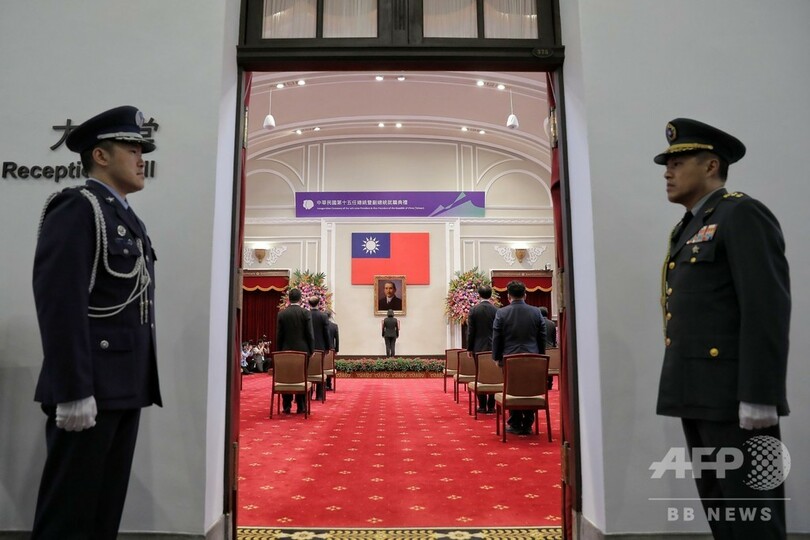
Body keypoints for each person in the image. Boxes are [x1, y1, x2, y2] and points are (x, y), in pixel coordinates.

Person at [655, 118, 790, 539]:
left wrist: (760, 394)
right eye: (667, 164)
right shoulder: (689, 226)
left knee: (753, 515)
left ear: (711, 165)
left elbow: (766, 308)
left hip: (734, 398)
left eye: (678, 162)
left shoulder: (741, 214)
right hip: (698, 393)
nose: (667, 172)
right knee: (722, 512)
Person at [30, 105, 162, 539]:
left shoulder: (124, 217)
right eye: (131, 149)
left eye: (141, 150)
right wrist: (73, 389)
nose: (141, 158)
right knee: (68, 515)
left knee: (103, 511)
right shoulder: (78, 207)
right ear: (100, 156)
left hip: (123, 384)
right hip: (89, 386)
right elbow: (60, 302)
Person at [491, 280, 546, 435]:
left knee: (512, 388)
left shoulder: (502, 313)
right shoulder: (536, 312)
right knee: (530, 388)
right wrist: (541, 356)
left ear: (508, 296)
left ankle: (515, 422)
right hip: (532, 356)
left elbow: (497, 337)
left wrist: (496, 357)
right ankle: (528, 423)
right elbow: (542, 336)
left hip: (510, 358)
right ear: (525, 295)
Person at [276, 288, 314, 413]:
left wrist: (279, 351)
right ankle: (301, 406)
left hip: (285, 349)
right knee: (302, 377)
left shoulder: (282, 314)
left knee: (286, 376)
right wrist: (311, 350)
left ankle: (286, 406)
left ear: (288, 299)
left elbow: (279, 335)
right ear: (300, 299)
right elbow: (309, 334)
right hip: (303, 350)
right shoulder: (305, 313)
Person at [466, 285, 498, 413]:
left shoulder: (474, 310)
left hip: (478, 347)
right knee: (494, 375)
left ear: (478, 295)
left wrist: (469, 348)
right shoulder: (497, 310)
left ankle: (482, 405)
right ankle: (492, 405)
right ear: (490, 295)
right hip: (494, 347)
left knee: (480, 374)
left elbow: (471, 332)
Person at [308, 296, 331, 399]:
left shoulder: (306, 315)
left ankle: (308, 394)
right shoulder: (323, 316)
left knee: (308, 370)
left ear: (309, 304)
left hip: (308, 347)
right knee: (320, 370)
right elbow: (326, 333)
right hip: (321, 347)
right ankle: (319, 395)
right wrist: (328, 347)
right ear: (318, 303)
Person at [539, 306, 557, 390]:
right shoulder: (552, 323)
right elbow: (554, 337)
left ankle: (541, 383)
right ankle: (550, 383)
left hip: (540, 348)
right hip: (550, 348)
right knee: (550, 366)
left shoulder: (537, 323)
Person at [326, 311, 339, 390]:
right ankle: (329, 384)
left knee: (322, 366)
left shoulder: (321, 325)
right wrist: (336, 350)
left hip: (321, 348)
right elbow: (337, 339)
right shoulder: (334, 326)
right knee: (329, 366)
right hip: (331, 348)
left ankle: (324, 384)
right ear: (330, 316)